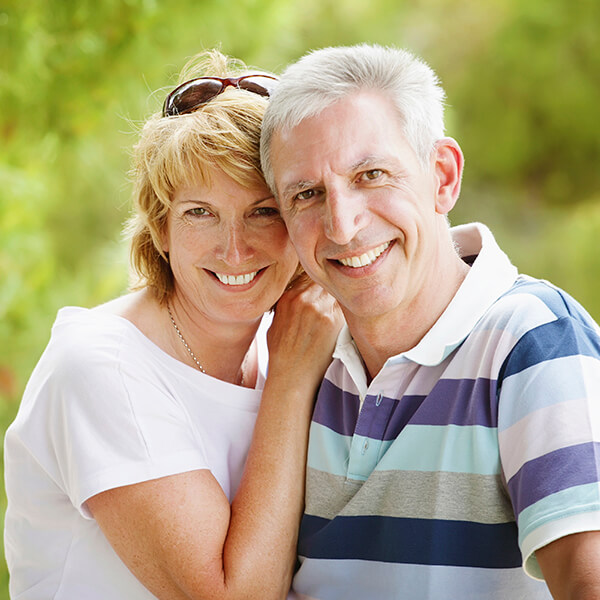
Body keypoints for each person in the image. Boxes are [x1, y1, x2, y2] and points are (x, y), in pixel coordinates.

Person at [260, 43, 600, 599]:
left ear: (442, 177)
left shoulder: (535, 340)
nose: (342, 226)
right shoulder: (302, 360)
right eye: (307, 194)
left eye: (371, 174)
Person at [4, 50, 341, 600]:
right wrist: (291, 377)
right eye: (199, 212)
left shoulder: (280, 336)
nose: (235, 248)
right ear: (160, 229)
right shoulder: (101, 366)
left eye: (264, 211)